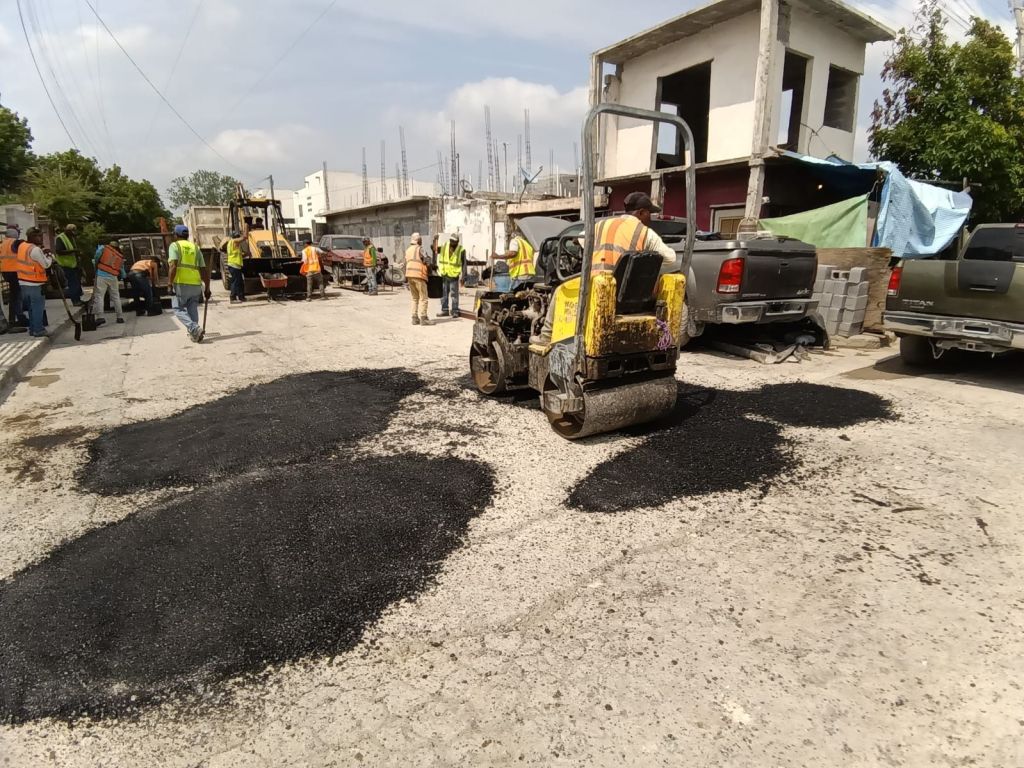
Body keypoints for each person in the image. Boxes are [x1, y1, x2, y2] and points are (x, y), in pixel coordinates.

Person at [167, 224, 211, 343]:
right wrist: (207, 288)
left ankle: (194, 328)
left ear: (176, 235)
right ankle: (196, 334)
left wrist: (169, 284)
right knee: (192, 308)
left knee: (177, 309)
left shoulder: (174, 246)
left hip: (181, 283)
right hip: (196, 285)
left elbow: (173, 266)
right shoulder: (195, 248)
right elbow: (203, 270)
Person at [14, 227, 53, 337]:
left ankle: (33, 329)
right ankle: (38, 330)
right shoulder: (35, 250)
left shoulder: (22, 246)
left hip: (23, 282)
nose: (41, 238)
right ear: (32, 237)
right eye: (38, 236)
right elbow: (46, 264)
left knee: (31, 307)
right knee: (37, 307)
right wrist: (49, 256)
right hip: (34, 283)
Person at [92, 239, 127, 324]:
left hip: (101, 275)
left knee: (99, 296)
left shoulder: (103, 249)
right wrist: (123, 277)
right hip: (113, 277)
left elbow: (96, 258)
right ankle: (120, 317)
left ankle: (100, 317)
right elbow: (122, 270)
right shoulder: (120, 255)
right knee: (115, 296)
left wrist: (96, 266)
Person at [1, 224, 28, 328]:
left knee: (14, 295)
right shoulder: (15, 243)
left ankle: (13, 319)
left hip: (5, 272)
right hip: (15, 272)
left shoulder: (2, 243)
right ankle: (18, 318)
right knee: (16, 296)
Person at [405, 232, 432, 326]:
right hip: (419, 275)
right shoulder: (420, 249)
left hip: (409, 275)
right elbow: (426, 260)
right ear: (418, 240)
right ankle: (424, 318)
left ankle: (414, 318)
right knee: (423, 298)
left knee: (414, 298)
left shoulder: (408, 250)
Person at [436, 232, 466, 318]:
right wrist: (435, 241)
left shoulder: (461, 249)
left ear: (458, 241)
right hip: (444, 273)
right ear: (450, 240)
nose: (453, 243)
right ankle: (444, 310)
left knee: (454, 294)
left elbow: (464, 264)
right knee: (444, 293)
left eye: (455, 242)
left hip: (453, 275)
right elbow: (435, 249)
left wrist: (464, 276)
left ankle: (455, 310)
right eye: (452, 241)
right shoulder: (444, 246)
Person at [54, 223, 84, 306]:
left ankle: (78, 299)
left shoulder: (71, 237)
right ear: (68, 230)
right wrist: (73, 251)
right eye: (73, 231)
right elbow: (59, 251)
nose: (74, 233)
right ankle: (75, 301)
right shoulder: (61, 238)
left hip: (74, 264)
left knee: (76, 282)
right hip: (66, 264)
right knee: (73, 283)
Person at [226, 230, 246, 303]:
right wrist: (246, 227)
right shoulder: (234, 241)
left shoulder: (232, 243)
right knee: (235, 282)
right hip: (234, 265)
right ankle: (233, 298)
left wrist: (245, 254)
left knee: (240, 282)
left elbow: (237, 254)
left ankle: (241, 297)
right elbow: (244, 237)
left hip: (236, 265)